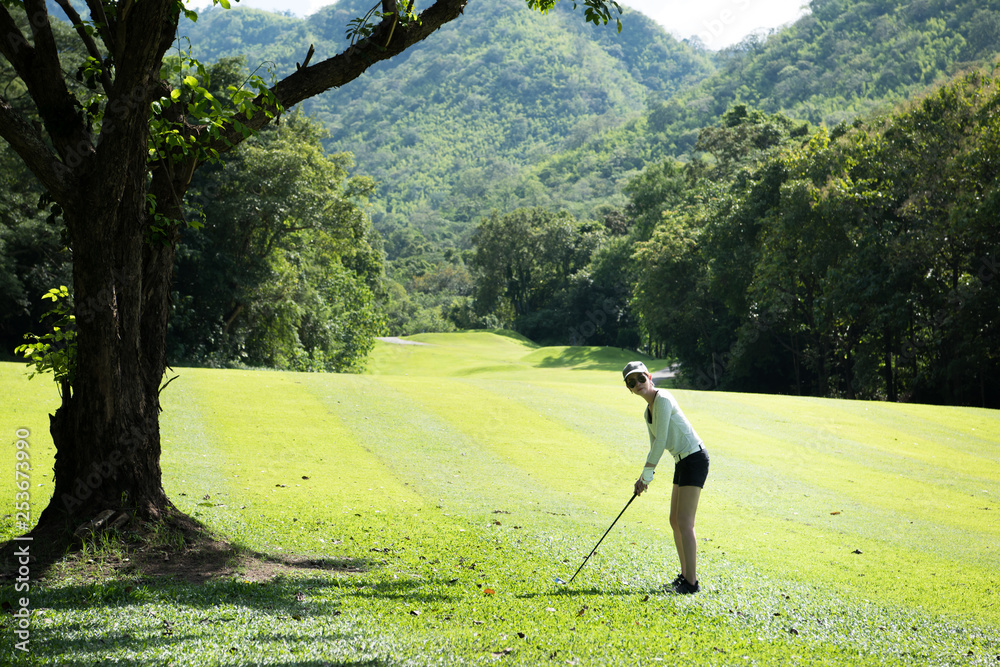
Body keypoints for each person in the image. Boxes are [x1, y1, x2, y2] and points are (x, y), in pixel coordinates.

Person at [623, 361, 709, 595]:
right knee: (674, 520)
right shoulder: (647, 412)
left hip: (694, 459)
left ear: (649, 377)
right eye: (632, 382)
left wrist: (646, 474)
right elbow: (654, 447)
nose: (638, 384)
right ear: (629, 389)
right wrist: (645, 478)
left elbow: (661, 442)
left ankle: (691, 583)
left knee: (685, 522)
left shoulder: (662, 399)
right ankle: (684, 576)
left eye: (641, 378)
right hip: (681, 460)